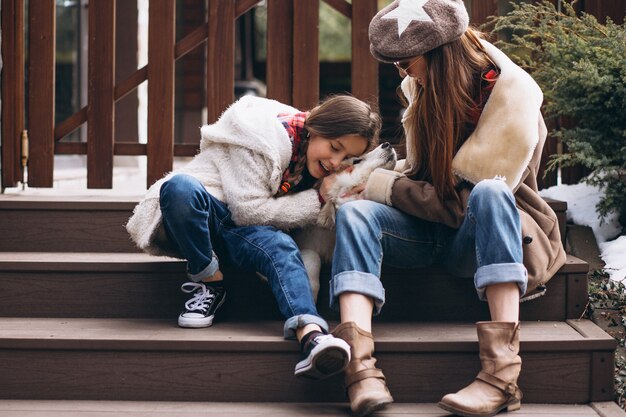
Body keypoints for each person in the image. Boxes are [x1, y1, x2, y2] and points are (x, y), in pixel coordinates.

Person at [327, 1, 567, 416]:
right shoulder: (427, 86)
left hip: (479, 236)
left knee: (490, 193)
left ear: (439, 52)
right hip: (428, 227)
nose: (400, 72)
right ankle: (359, 369)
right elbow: (423, 175)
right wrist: (367, 184)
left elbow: (460, 207)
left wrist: (379, 184)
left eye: (405, 62)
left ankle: (501, 377)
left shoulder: (511, 95)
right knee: (355, 213)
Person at [126, 94, 382, 380]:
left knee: (282, 247)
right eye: (335, 147)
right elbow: (248, 210)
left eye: (346, 157)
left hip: (249, 234)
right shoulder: (262, 135)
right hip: (208, 213)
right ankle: (210, 282)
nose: (336, 162)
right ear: (316, 126)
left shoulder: (315, 159)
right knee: (179, 187)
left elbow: (257, 222)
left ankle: (312, 336)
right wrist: (319, 198)